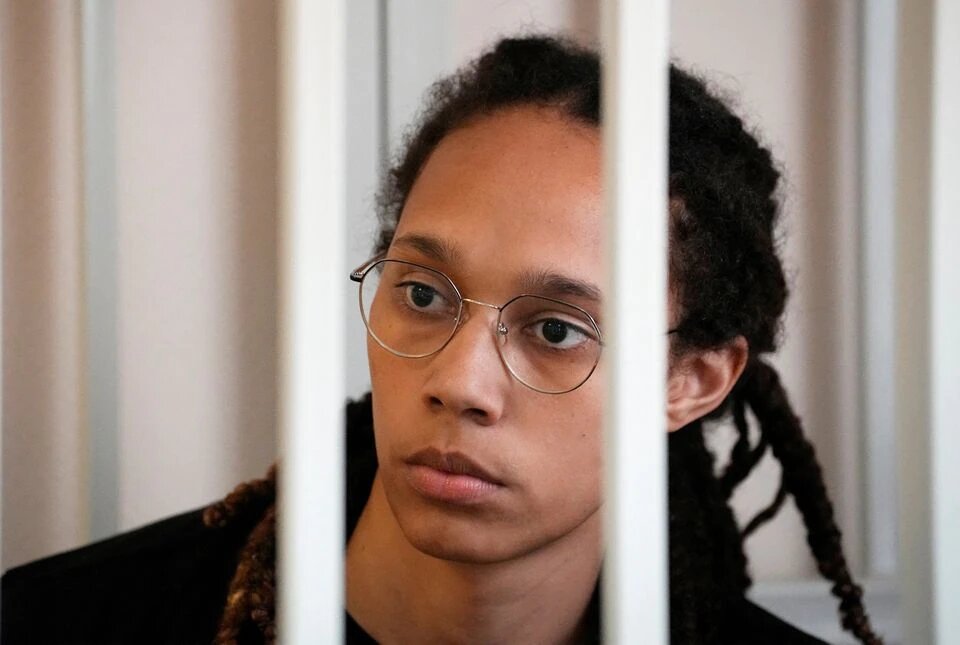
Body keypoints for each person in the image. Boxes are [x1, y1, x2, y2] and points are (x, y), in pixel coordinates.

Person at [1, 36, 882, 645]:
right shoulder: (65, 622)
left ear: (689, 379)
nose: (460, 381)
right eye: (422, 292)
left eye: (556, 329)